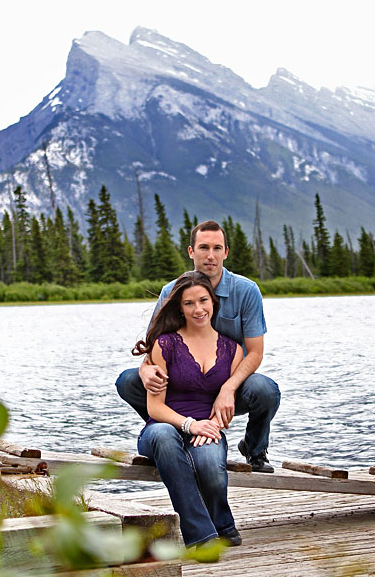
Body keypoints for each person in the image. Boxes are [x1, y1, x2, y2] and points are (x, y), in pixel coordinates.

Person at [117, 220, 280, 472]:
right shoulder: (171, 291)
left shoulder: (247, 291)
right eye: (204, 248)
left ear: (226, 252)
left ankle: (254, 449)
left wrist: (228, 388)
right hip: (184, 384)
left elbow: (256, 352)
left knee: (265, 389)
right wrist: (145, 369)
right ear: (191, 252)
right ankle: (168, 432)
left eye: (217, 248)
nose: (210, 256)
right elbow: (152, 348)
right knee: (128, 381)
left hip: (230, 383)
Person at [132, 271, 243, 547]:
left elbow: (226, 402)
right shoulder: (166, 344)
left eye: (203, 300)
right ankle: (202, 536)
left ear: (213, 302)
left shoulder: (233, 350)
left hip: (207, 427)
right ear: (180, 308)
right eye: (189, 303)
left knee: (210, 467)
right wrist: (190, 424)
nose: (198, 309)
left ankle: (223, 524)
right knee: (165, 438)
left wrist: (212, 426)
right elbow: (154, 407)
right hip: (163, 427)